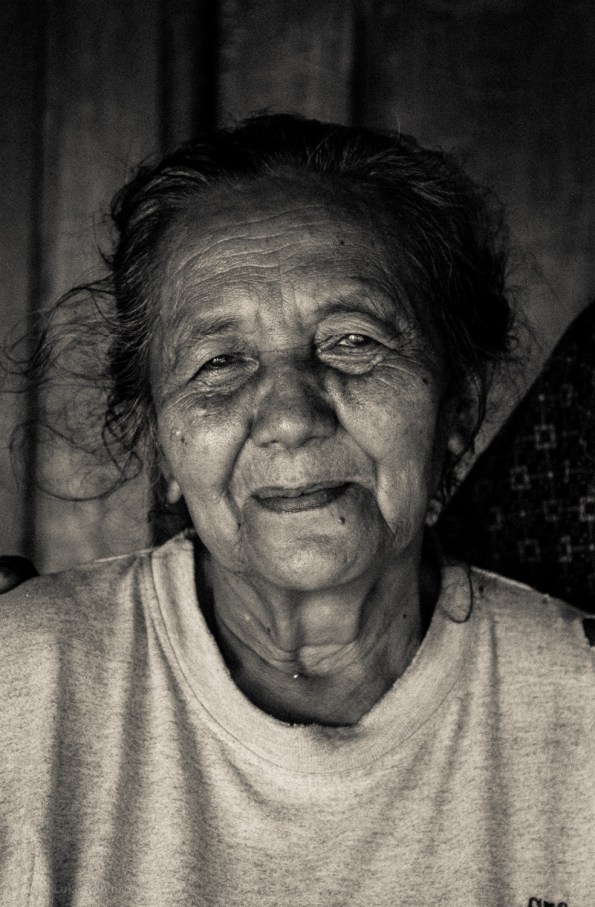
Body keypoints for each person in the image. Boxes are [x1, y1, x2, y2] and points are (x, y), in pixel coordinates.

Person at [1, 114, 593, 907]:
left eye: (353, 341)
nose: (289, 416)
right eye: (219, 362)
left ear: (455, 410)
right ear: (162, 443)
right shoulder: (24, 686)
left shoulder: (577, 704)